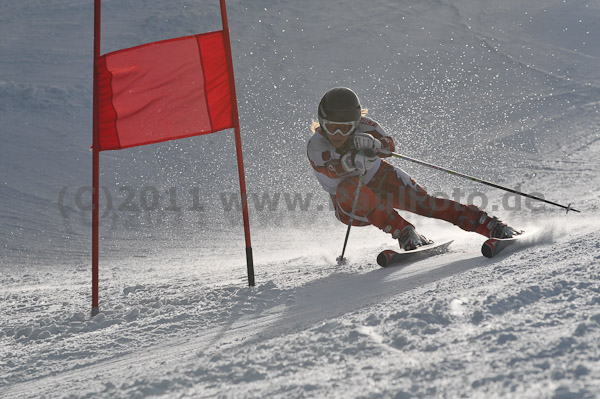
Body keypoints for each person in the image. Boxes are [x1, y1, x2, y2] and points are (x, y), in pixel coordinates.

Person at [307, 87, 517, 250]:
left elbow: (389, 146)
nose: (336, 133)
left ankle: (491, 225)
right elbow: (333, 170)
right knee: (349, 186)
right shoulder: (316, 146)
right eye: (329, 126)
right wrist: (352, 160)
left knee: (426, 204)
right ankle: (404, 232)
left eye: (344, 128)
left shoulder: (366, 126)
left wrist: (376, 145)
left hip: (379, 178)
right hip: (350, 206)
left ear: (355, 122)